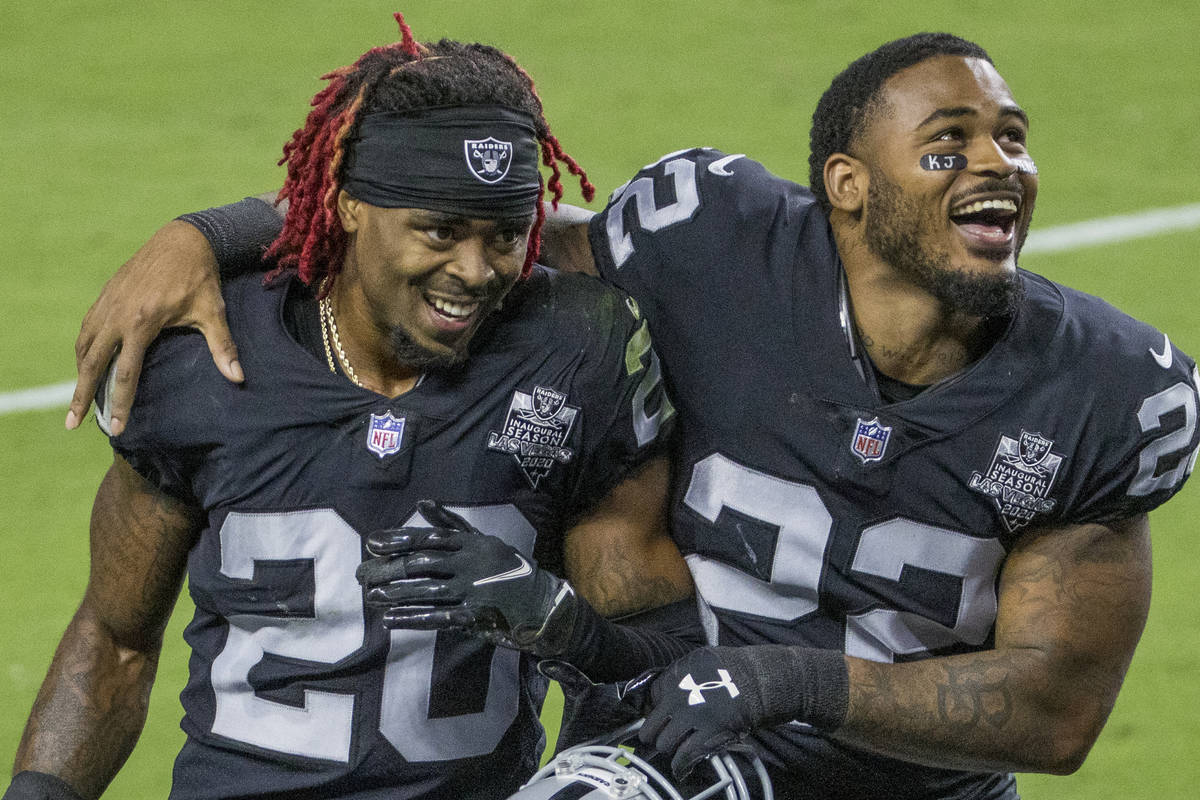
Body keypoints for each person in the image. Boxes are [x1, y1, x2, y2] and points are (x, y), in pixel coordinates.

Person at [64, 32, 1200, 800]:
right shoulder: (710, 242)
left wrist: (781, 678)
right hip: (669, 745)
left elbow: (1054, 712)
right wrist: (212, 231)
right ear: (848, 183)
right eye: (946, 144)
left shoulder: (1102, 388)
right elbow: (473, 233)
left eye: (1011, 136)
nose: (995, 163)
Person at [6, 14, 701, 800]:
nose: (475, 271)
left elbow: (670, 654)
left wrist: (557, 619)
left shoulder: (578, 351)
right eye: (438, 229)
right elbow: (116, 637)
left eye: (505, 236)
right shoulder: (208, 352)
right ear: (344, 206)